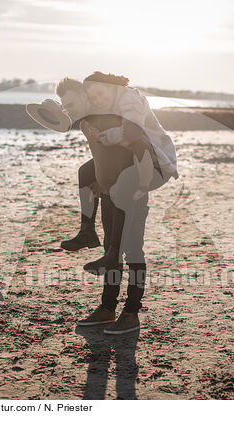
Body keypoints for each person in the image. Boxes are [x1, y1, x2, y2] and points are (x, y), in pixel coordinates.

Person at [56, 73, 178, 334]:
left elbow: (136, 142)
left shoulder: (123, 108)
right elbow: (99, 158)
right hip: (113, 190)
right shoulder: (89, 121)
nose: (71, 109)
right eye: (66, 107)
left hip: (137, 183)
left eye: (73, 103)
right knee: (112, 246)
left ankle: (131, 313)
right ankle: (106, 308)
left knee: (131, 249)